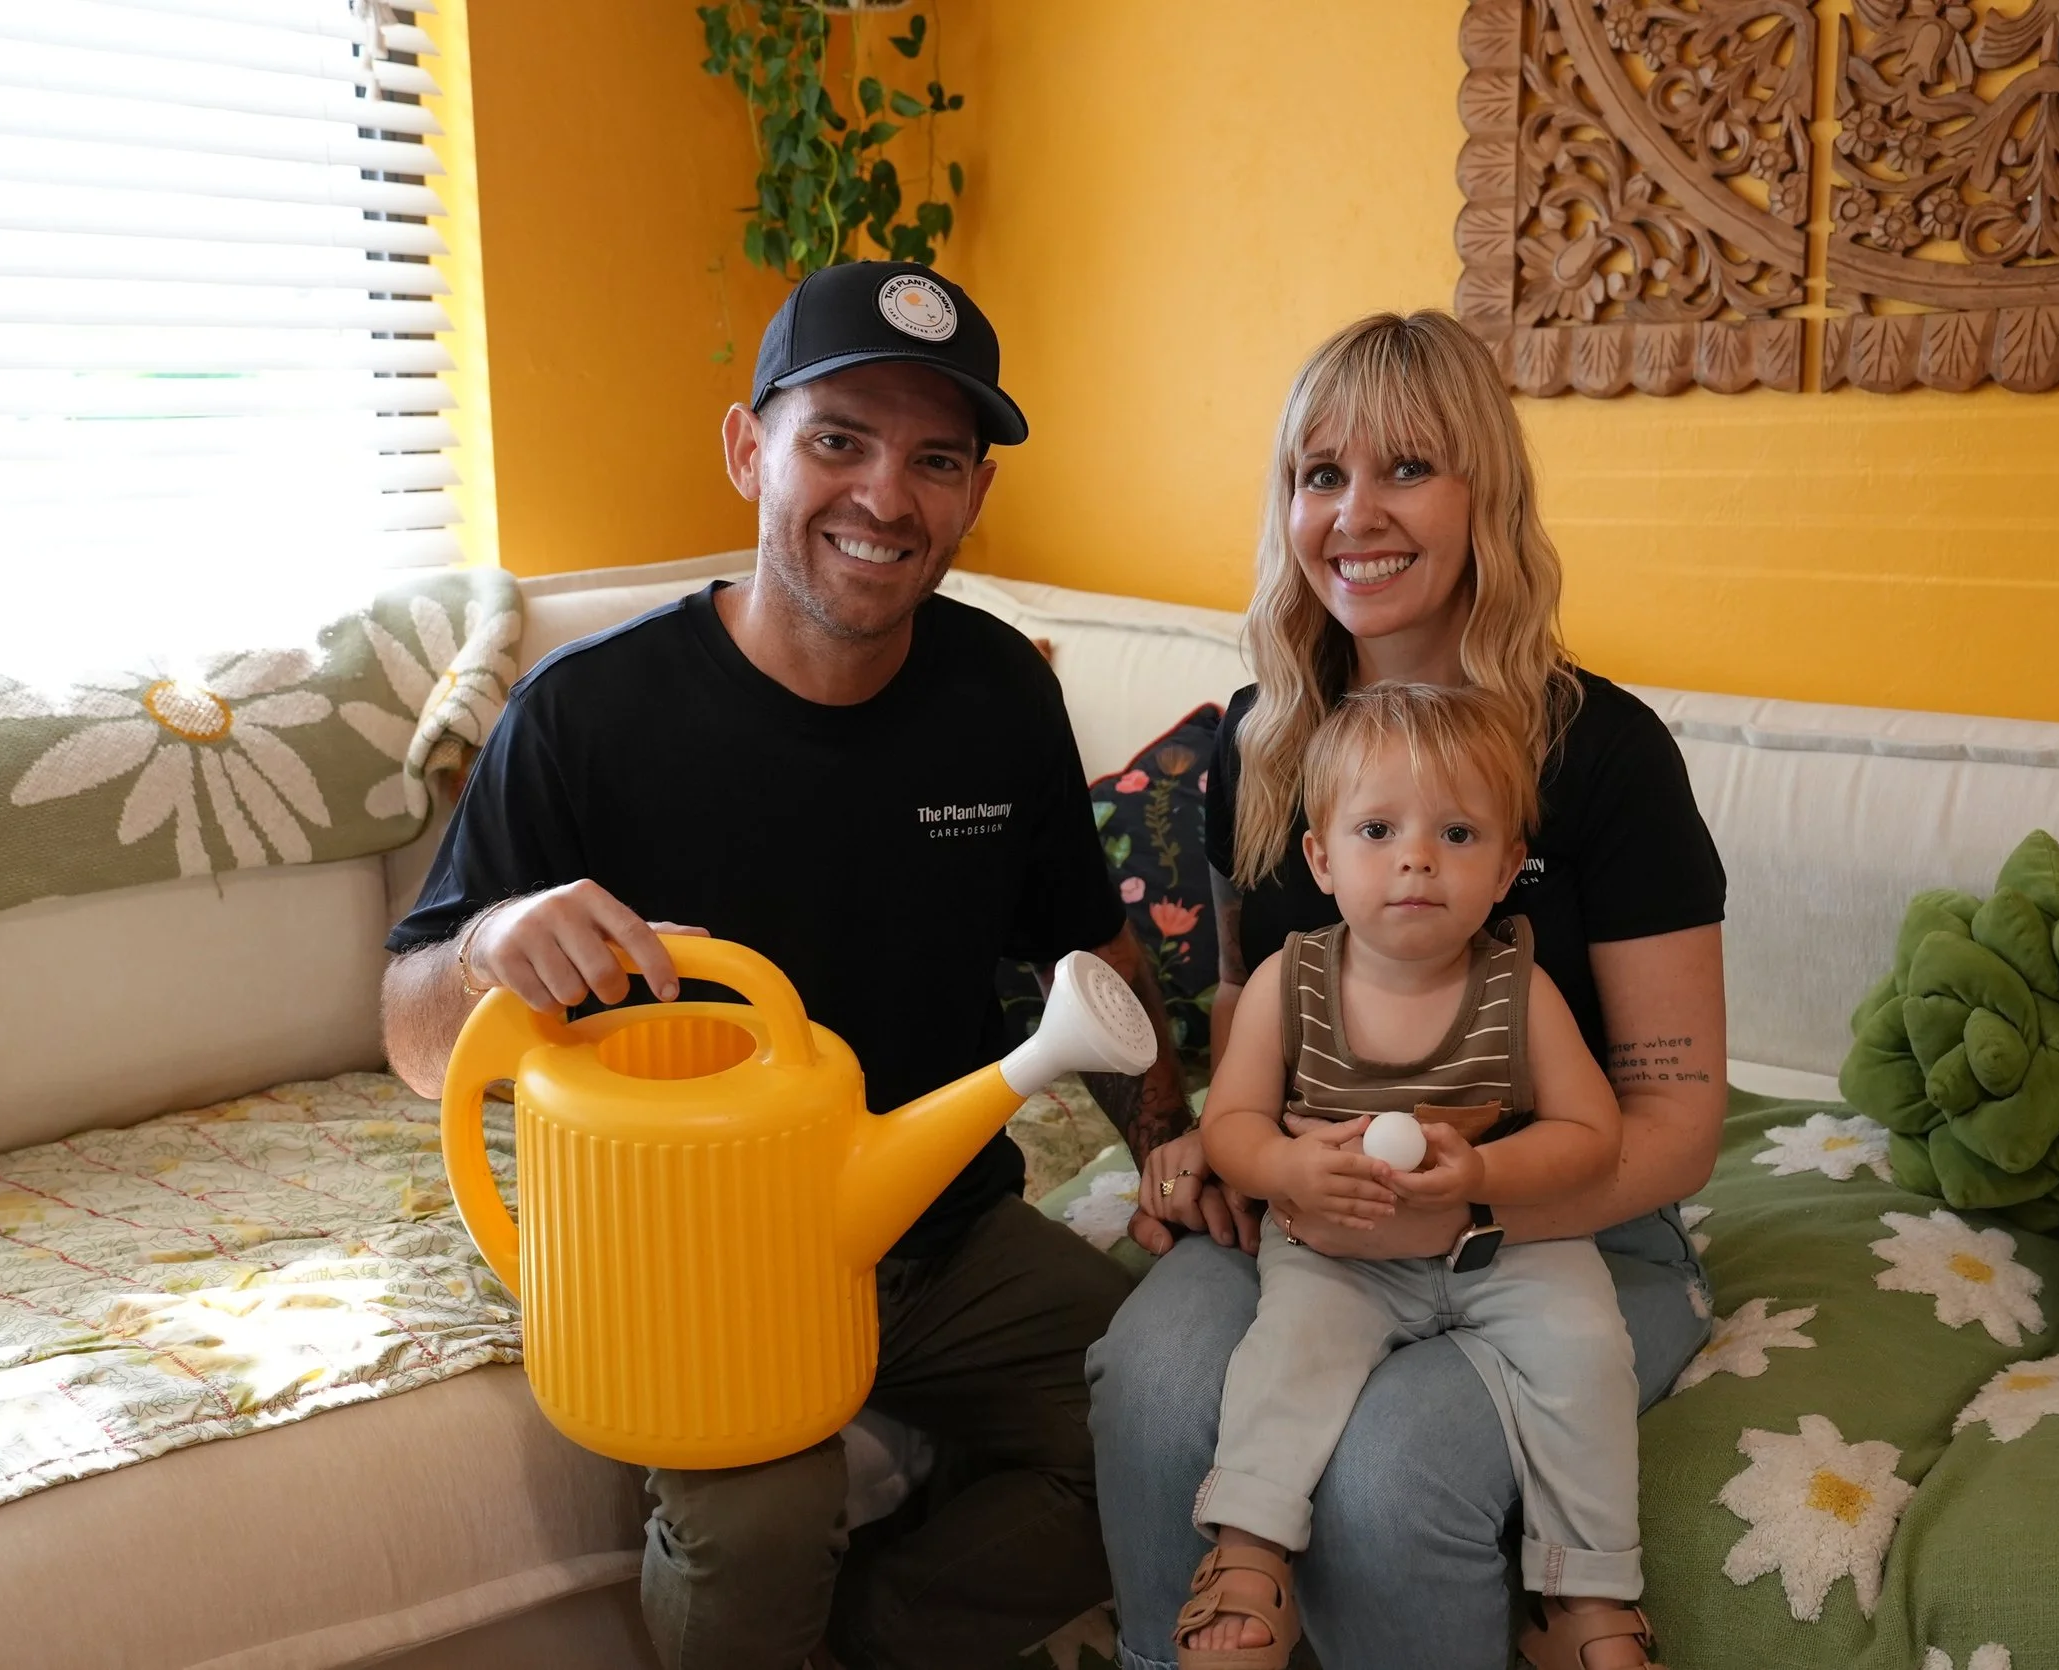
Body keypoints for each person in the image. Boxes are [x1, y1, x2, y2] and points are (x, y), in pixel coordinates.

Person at [379, 261, 1192, 1670]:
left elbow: (1095, 955)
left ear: (975, 498)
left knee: (1181, 1429)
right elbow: (405, 1029)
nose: (887, 495)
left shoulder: (1000, 694)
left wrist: (1179, 1152)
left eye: (937, 459)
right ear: (748, 448)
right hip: (698, 1265)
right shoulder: (587, 714)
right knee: (759, 1519)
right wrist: (488, 948)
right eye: (838, 439)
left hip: (943, 1233)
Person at [1087, 309, 1728, 1670]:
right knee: (1147, 1377)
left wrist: (1473, 1194)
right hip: (1325, 1222)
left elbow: (1676, 1120)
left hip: (1579, 1229)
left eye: (1407, 468)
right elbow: (1257, 1041)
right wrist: (1224, 1155)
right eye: (1320, 474)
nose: (1354, 513)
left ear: (1484, 491)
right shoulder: (1259, 745)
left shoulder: (1604, 754)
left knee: (1386, 1483)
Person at [1173, 683, 1656, 1670]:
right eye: (1379, 827)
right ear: (1321, 856)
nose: (1416, 857)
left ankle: (1587, 1593)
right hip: (1339, 1252)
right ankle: (1250, 1547)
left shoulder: (1518, 985)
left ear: (1508, 866)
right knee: (1287, 1350)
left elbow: (1590, 1132)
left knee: (1587, 1352)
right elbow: (1228, 1123)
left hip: (1500, 1244)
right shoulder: (1289, 979)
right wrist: (1289, 1166)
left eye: (1458, 832)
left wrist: (1483, 1164)